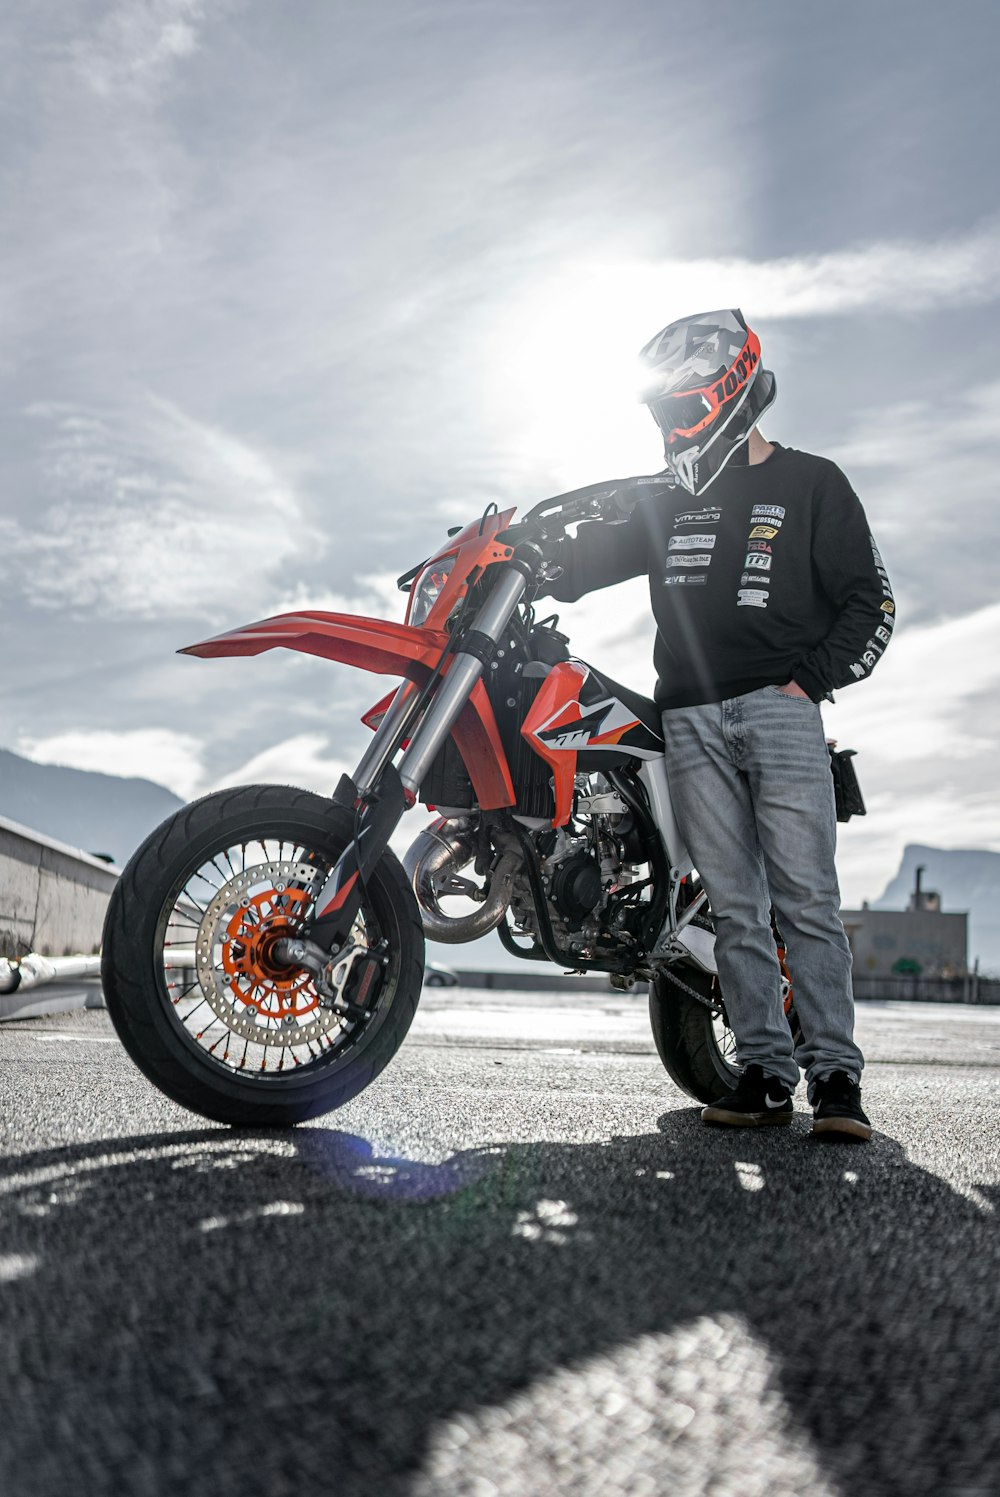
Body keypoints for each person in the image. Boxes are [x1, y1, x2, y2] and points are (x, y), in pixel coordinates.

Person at [544, 308, 894, 1142]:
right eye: (661, 414)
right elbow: (585, 564)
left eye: (681, 409)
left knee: (805, 900)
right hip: (689, 722)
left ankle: (836, 1081)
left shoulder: (814, 483)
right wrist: (523, 552)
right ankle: (768, 1075)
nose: (670, 428)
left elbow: (871, 603)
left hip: (781, 713)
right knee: (733, 906)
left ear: (733, 388)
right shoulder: (666, 501)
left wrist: (806, 684)